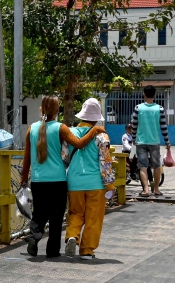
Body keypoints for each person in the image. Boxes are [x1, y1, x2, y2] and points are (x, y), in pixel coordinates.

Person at [19, 96, 105, 258]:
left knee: (39, 213)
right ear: (57, 110)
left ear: (41, 109)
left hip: (37, 180)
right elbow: (79, 144)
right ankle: (52, 251)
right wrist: (94, 131)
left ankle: (34, 237)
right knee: (56, 217)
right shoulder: (60, 128)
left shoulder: (32, 128)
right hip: (58, 180)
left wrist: (24, 178)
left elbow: (27, 157)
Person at [64, 98, 114, 260]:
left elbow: (64, 158)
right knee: (93, 218)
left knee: (76, 213)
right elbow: (105, 163)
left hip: (74, 183)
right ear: (97, 117)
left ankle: (72, 235)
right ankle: (86, 251)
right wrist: (110, 185)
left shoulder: (69, 133)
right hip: (96, 184)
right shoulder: (102, 136)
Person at [130, 85, 170, 198]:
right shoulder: (159, 108)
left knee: (143, 166)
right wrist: (167, 142)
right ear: (155, 95)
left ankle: (146, 190)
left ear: (144, 94)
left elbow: (134, 125)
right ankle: (156, 189)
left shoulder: (138, 108)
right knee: (156, 166)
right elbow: (163, 127)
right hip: (154, 141)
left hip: (141, 141)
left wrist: (133, 139)